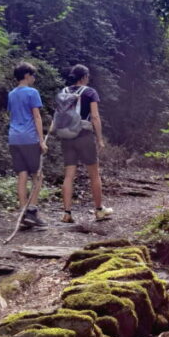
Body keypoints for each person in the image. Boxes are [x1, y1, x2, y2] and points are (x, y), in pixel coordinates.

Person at [55, 64, 113, 222]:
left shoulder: (63, 92)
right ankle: (99, 210)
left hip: (66, 136)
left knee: (68, 176)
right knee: (94, 174)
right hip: (84, 135)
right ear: (85, 77)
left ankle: (67, 213)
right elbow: (94, 117)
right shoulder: (90, 92)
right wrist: (99, 138)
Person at [7, 62, 47, 229]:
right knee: (38, 175)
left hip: (14, 138)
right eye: (32, 75)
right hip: (29, 137)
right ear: (26, 75)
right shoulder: (32, 92)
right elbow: (36, 117)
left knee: (22, 175)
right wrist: (42, 140)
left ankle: (23, 211)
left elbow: (12, 114)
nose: (34, 78)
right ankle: (31, 210)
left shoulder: (11, 94)